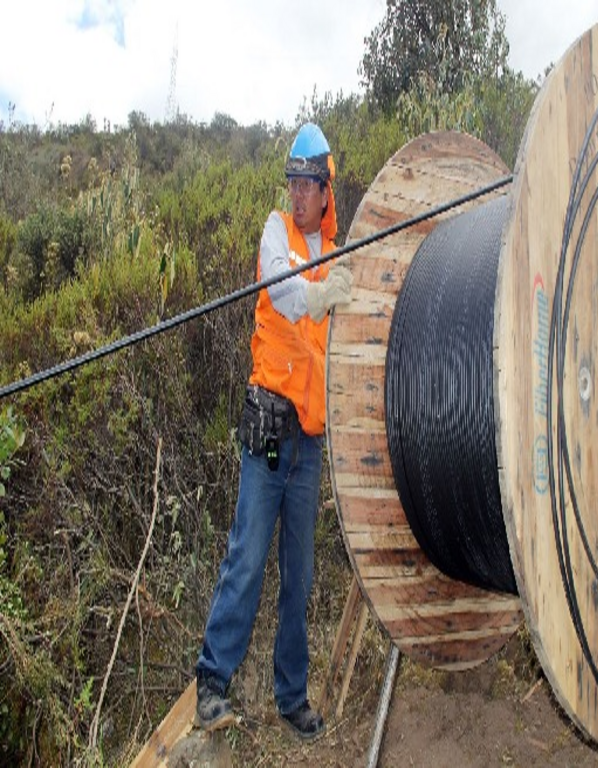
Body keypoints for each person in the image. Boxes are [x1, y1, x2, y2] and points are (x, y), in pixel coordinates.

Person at [194, 122, 352, 739]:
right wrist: (320, 295)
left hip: (308, 442)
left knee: (300, 572)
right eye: (293, 181)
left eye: (308, 183)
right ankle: (212, 680)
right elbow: (283, 291)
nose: (298, 194)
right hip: (267, 431)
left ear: (326, 188)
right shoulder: (275, 232)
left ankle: (292, 696)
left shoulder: (334, 252)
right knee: (248, 554)